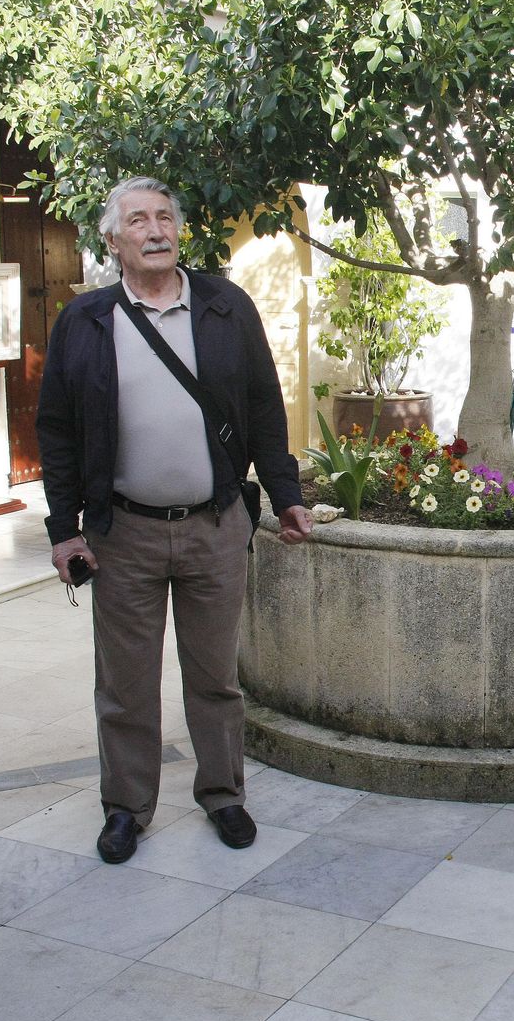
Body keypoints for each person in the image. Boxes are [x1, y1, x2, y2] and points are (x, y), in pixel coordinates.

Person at [37, 177, 314, 865]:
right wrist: (64, 528)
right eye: (138, 220)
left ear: (179, 231)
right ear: (112, 240)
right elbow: (57, 430)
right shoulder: (85, 320)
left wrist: (285, 494)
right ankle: (126, 807)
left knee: (215, 676)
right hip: (122, 532)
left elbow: (264, 405)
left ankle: (223, 794)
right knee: (125, 683)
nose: (155, 229)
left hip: (215, 525)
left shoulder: (225, 306)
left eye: (165, 217)